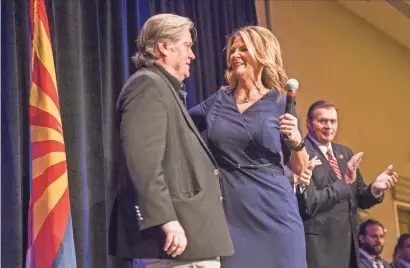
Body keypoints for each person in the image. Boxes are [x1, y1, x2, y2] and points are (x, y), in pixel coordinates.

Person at [108, 13, 234, 268]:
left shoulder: (166, 90)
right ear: (164, 47)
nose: (193, 55)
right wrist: (166, 220)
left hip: (192, 241)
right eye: (187, 46)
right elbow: (143, 162)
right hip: (174, 242)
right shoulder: (147, 85)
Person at [189, 25, 309, 268]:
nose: (234, 55)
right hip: (231, 210)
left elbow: (299, 167)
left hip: (275, 210)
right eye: (232, 50)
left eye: (243, 49)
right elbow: (183, 125)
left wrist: (296, 140)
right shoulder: (220, 98)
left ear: (262, 54)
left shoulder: (280, 100)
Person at [296, 100, 399, 268]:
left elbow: (359, 197)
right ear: (309, 123)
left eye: (333, 121)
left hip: (349, 249)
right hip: (320, 249)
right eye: (323, 121)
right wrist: (344, 183)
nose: (329, 126)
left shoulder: (344, 153)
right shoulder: (301, 153)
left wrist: (375, 189)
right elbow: (309, 203)